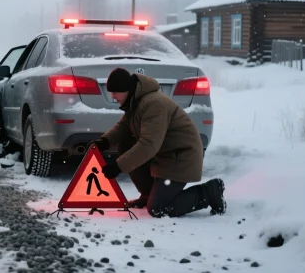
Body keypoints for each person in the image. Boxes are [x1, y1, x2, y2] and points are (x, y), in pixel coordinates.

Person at [91, 67, 226, 218]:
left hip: (180, 157)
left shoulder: (153, 104)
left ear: (126, 89)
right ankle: (149, 195)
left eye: (115, 92)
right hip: (165, 155)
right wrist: (104, 142)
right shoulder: (135, 101)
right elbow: (123, 127)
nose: (113, 96)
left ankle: (209, 192)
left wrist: (118, 166)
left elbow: (149, 144)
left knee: (158, 208)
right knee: (126, 143)